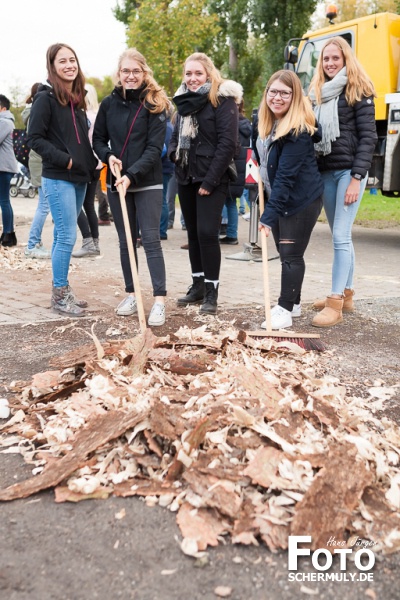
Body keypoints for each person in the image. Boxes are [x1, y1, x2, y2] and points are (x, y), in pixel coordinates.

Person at [93, 48, 169, 327]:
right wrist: (109, 157)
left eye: (136, 71)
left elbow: (153, 149)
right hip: (117, 180)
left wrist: (132, 175)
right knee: (126, 241)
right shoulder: (108, 104)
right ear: (119, 74)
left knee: (150, 239)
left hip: (146, 181)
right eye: (126, 71)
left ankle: (159, 300)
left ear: (144, 72)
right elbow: (98, 140)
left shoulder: (155, 104)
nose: (131, 76)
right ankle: (132, 293)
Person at [308, 37, 378, 327]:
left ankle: (335, 302)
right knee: (343, 236)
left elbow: (368, 138)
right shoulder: (318, 94)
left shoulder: (358, 91)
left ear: (346, 59)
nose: (330, 63)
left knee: (339, 236)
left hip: (349, 173)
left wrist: (356, 178)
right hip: (325, 171)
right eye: (325, 59)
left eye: (335, 58)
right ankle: (347, 294)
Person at [27, 43, 97, 316]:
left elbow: (81, 141)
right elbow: (35, 139)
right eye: (62, 61)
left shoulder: (75, 100)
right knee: (67, 236)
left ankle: (63, 289)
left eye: (72, 60)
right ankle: (59, 295)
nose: (69, 65)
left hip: (80, 177)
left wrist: (91, 163)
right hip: (59, 177)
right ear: (52, 67)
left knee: (61, 236)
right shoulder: (45, 99)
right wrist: (66, 160)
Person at [169, 52, 241, 315]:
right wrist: (173, 154)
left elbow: (227, 144)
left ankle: (212, 292)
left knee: (208, 234)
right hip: (186, 176)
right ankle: (197, 286)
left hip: (213, 177)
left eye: (198, 73)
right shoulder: (182, 102)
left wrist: (210, 180)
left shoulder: (223, 100)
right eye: (188, 73)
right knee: (193, 235)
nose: (192, 78)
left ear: (209, 74)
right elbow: (175, 135)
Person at [257, 70, 324, 330]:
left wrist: (268, 216)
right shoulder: (264, 123)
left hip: (300, 200)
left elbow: (285, 178)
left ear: (295, 97)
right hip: (278, 196)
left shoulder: (297, 132)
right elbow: (264, 162)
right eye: (273, 91)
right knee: (288, 253)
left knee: (290, 255)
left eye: (285, 93)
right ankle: (294, 302)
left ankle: (284, 309)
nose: (278, 97)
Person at [72, 83, 103, 258]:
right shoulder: (97, 115)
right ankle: (95, 244)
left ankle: (87, 241)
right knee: (89, 205)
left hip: (85, 165)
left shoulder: (83, 117)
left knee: (76, 205)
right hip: (97, 164)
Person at [22, 83, 51, 259]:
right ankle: (32, 244)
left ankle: (36, 242)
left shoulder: (31, 112)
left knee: (44, 204)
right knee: (44, 205)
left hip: (37, 160)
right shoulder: (37, 113)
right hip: (40, 161)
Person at [220, 99, 252, 245]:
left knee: (220, 200)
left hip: (229, 165)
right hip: (240, 167)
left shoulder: (229, 122)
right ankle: (232, 234)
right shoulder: (246, 123)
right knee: (231, 201)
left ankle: (221, 233)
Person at [0, 94, 18, 247]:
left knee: (4, 201)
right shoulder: (7, 121)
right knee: (5, 200)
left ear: (3, 108)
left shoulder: (4, 122)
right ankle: (9, 233)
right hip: (5, 166)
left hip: (3, 167)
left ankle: (8, 234)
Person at [159, 111, 174, 240]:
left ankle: (161, 230)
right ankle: (161, 229)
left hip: (163, 167)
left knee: (161, 199)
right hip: (168, 166)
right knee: (163, 198)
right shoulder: (170, 126)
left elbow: (162, 149)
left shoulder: (165, 127)